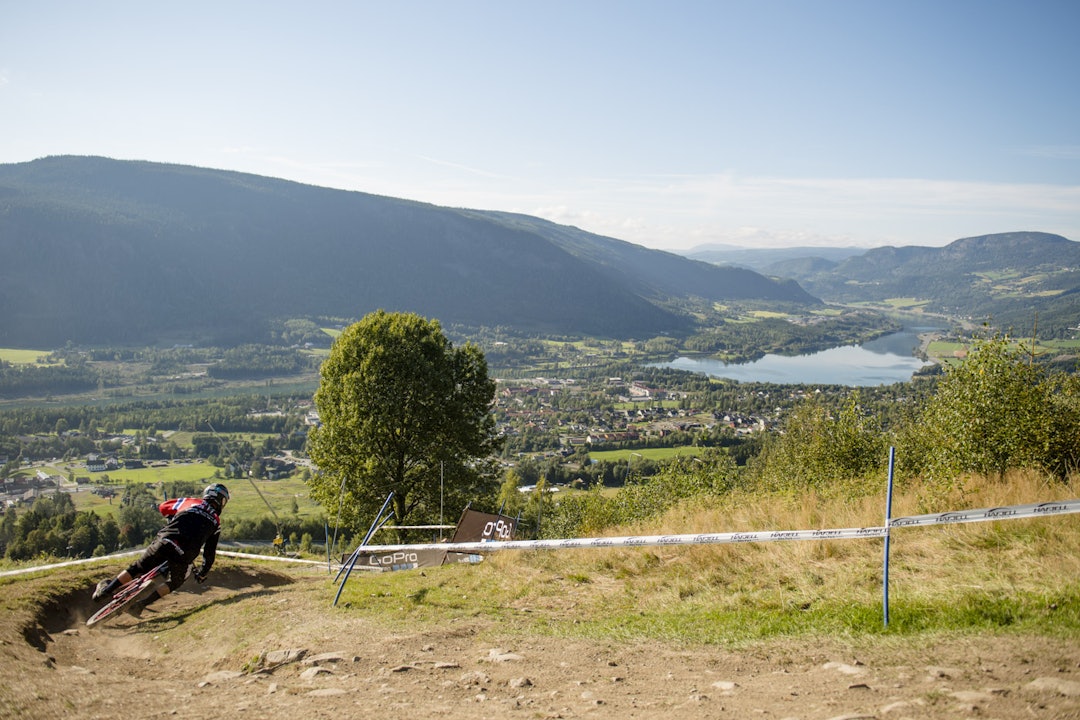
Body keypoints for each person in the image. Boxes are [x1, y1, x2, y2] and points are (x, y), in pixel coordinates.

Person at [92, 483, 229, 617]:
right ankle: (141, 605)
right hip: (185, 555)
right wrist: (202, 573)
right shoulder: (216, 522)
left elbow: (163, 507)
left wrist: (172, 517)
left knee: (138, 567)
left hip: (166, 542)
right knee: (175, 582)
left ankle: (106, 591)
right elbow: (209, 553)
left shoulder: (191, 502)